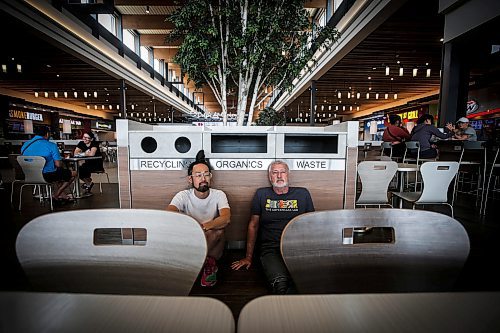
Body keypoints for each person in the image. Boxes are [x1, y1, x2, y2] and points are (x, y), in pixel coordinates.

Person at [231, 160, 314, 294]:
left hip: (297, 247)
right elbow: (253, 225)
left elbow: (311, 223)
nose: (279, 176)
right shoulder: (261, 194)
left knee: (304, 282)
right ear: (270, 177)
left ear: (288, 175)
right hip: (271, 248)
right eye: (275, 173)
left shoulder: (302, 194)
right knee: (280, 284)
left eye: (283, 172)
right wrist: (248, 257)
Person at [167, 150, 231, 287]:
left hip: (213, 243)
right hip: (191, 241)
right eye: (198, 175)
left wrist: (202, 227)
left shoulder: (219, 195)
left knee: (219, 231)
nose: (203, 178)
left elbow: (226, 218)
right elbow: (169, 215)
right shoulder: (183, 195)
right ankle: (206, 263)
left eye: (206, 174)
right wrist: (194, 230)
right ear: (190, 179)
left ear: (211, 177)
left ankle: (194, 264)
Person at [20, 126, 76, 202]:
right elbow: (58, 164)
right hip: (47, 176)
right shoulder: (51, 145)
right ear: (47, 134)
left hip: (27, 175)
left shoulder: (25, 145)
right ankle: (56, 194)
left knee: (60, 173)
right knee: (73, 173)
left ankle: (63, 195)